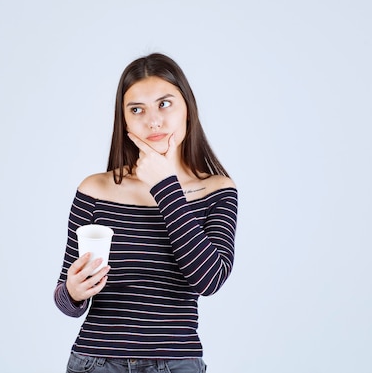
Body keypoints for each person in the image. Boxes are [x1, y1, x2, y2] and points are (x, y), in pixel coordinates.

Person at [54, 53, 238, 373]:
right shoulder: (95, 190)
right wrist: (72, 291)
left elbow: (209, 280)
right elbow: (66, 300)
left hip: (177, 363)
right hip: (96, 362)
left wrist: (165, 186)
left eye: (164, 104)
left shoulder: (218, 191)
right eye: (137, 110)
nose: (153, 121)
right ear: (124, 121)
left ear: (187, 110)